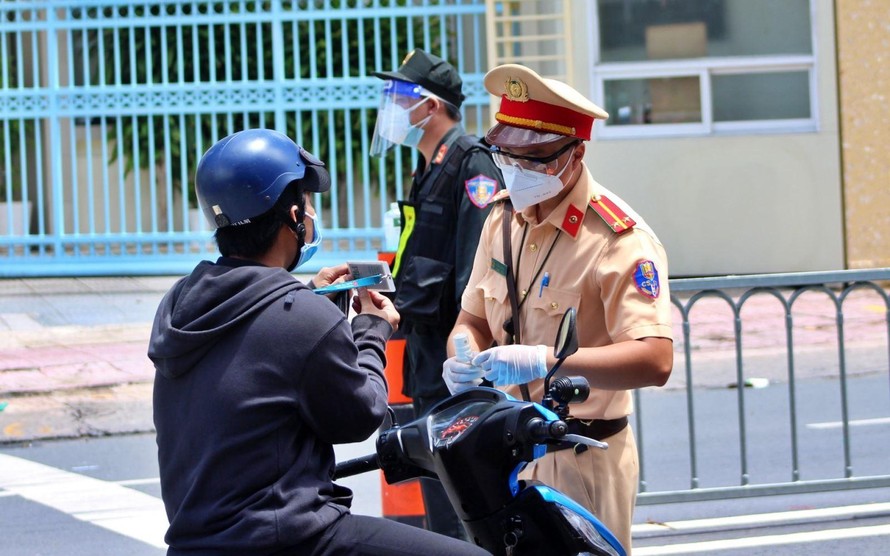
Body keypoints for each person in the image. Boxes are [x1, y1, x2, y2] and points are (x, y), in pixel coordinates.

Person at [148, 128, 488, 556]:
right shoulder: (299, 317)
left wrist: (308, 299)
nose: (310, 213)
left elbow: (254, 338)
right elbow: (361, 414)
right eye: (307, 203)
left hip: (195, 541)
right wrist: (371, 329)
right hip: (289, 539)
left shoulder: (183, 302)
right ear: (292, 216)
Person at [442, 64, 674, 554]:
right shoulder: (502, 220)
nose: (519, 169)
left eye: (536, 158)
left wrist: (546, 361)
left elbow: (655, 360)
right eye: (509, 156)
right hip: (504, 446)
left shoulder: (618, 240)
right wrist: (462, 356)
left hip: (580, 453)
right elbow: (473, 319)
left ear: (576, 153)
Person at [369, 48, 504, 539]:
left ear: (431, 106)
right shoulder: (425, 169)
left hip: (453, 359)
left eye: (400, 95)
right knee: (437, 496)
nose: (391, 105)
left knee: (460, 498)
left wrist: (466, 354)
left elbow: (476, 270)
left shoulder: (471, 164)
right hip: (425, 357)